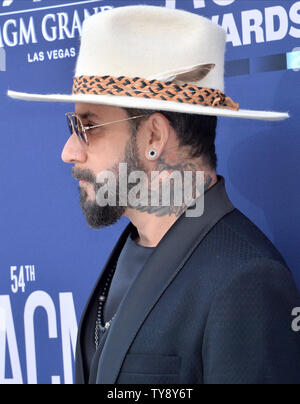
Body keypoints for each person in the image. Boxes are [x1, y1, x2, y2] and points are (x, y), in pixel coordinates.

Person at [8, 5, 300, 384]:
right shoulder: (131, 250)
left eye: (88, 126)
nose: (69, 151)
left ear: (153, 138)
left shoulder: (246, 282)